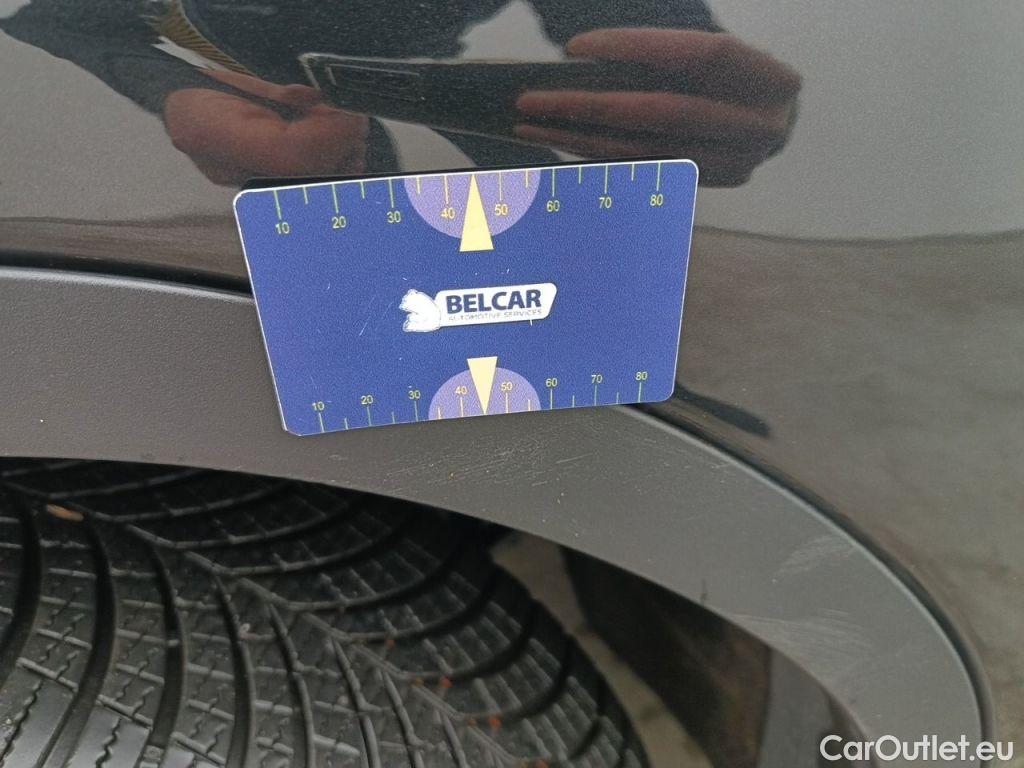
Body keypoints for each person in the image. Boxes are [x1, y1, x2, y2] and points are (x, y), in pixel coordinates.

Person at [2, 0, 800, 186]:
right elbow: (53, 19)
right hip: (279, 115)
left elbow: (651, 47)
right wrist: (172, 90)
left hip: (451, 109)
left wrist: (718, 110)